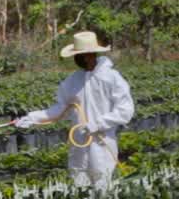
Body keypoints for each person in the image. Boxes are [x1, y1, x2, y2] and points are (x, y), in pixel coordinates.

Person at [15, 31, 134, 190]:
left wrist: (98, 124)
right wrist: (31, 118)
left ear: (91, 55)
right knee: (80, 184)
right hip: (78, 143)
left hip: (101, 142)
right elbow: (59, 109)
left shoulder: (111, 78)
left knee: (102, 184)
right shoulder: (72, 81)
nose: (78, 59)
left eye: (81, 55)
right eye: (76, 55)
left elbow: (125, 110)